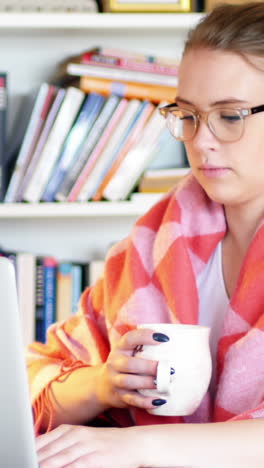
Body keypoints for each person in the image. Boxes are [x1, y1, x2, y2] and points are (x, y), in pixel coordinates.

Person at [28, 2, 264, 467]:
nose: (200, 141)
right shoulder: (155, 239)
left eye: (230, 115)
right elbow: (35, 384)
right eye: (189, 115)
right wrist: (102, 384)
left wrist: (138, 446)